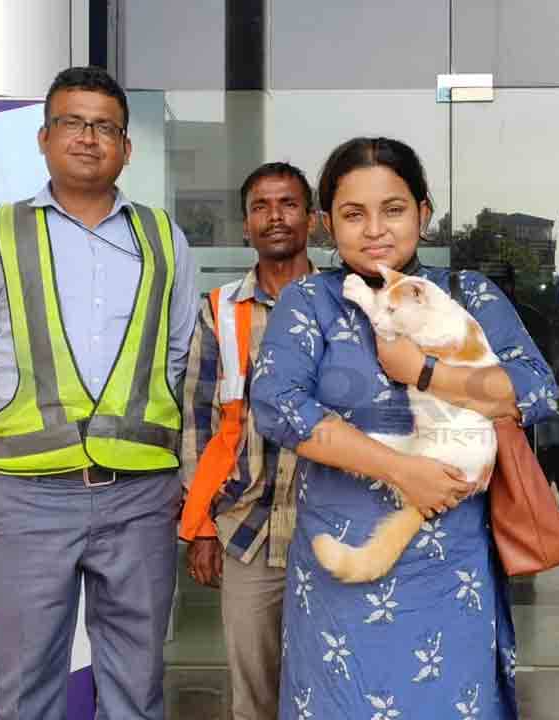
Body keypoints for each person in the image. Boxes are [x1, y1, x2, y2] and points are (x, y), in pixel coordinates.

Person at [251, 137, 558, 718]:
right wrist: (400, 470)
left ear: (424, 211)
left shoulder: (468, 295)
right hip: (340, 565)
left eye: (393, 209)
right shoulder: (310, 302)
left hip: (452, 571)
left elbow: (534, 389)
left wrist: (425, 372)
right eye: (352, 214)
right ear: (325, 223)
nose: (375, 230)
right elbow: (276, 404)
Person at [0, 66, 197, 720]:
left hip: (140, 494)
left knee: (136, 685)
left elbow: (179, 355)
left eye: (105, 126)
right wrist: (21, 413)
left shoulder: (165, 238)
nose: (89, 137)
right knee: (28, 686)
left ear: (126, 147)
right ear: (45, 137)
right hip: (30, 497)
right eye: (73, 123)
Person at [178, 161, 317, 720]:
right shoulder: (220, 313)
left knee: (336, 684)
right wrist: (203, 527)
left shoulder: (349, 303)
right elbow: (198, 426)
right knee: (254, 696)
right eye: (261, 206)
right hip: (250, 531)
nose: (275, 216)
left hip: (334, 526)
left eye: (287, 203)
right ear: (244, 225)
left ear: (313, 219)